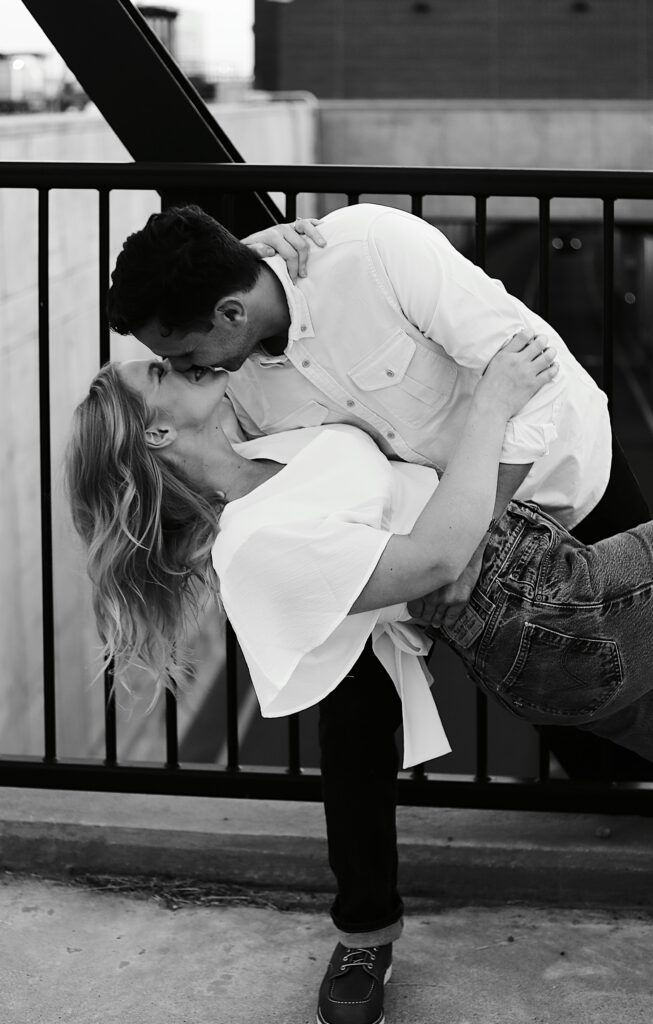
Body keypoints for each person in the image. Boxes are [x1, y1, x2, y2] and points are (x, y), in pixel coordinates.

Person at [103, 202, 651, 1024]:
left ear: (225, 313)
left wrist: (465, 544)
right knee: (351, 712)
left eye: (181, 352)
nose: (186, 368)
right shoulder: (236, 375)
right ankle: (366, 933)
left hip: (558, 482)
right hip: (420, 544)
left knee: (610, 694)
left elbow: (524, 369)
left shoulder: (372, 251)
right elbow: (221, 452)